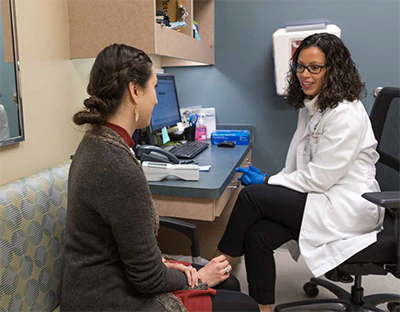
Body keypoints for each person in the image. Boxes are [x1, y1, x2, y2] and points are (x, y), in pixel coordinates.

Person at [61, 43, 259, 312]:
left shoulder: (96, 142)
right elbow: (147, 278)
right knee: (243, 305)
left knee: (229, 285)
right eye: (154, 87)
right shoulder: (117, 165)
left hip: (103, 281)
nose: (155, 99)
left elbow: (131, 249)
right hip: (106, 298)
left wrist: (165, 263)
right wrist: (198, 277)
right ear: (134, 90)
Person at [217, 33, 382, 312]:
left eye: (315, 67)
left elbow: (320, 177)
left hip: (349, 205)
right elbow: (299, 165)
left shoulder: (345, 114)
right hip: (322, 197)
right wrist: (273, 182)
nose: (305, 75)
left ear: (334, 70)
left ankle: (217, 267)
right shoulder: (313, 105)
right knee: (259, 234)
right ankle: (262, 307)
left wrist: (268, 182)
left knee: (251, 198)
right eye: (300, 66)